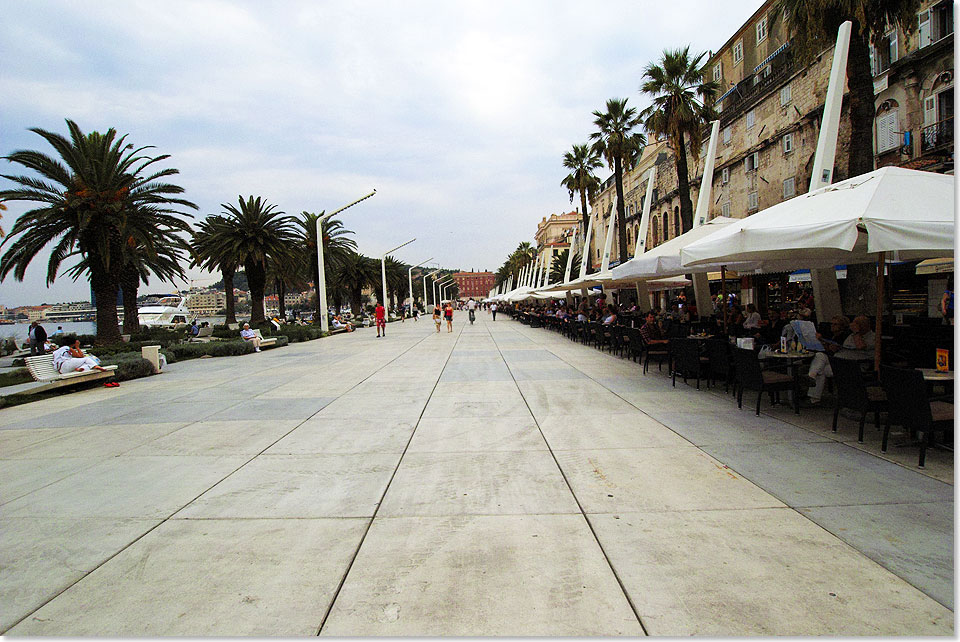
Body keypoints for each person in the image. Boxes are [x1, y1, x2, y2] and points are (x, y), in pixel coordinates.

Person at [805, 315, 873, 404]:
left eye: (856, 324)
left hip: (853, 366)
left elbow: (860, 346)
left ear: (864, 325)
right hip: (839, 360)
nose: (853, 325)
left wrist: (856, 333)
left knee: (820, 370)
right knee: (819, 356)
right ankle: (811, 376)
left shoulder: (872, 337)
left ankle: (814, 398)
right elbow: (845, 347)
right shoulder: (851, 336)